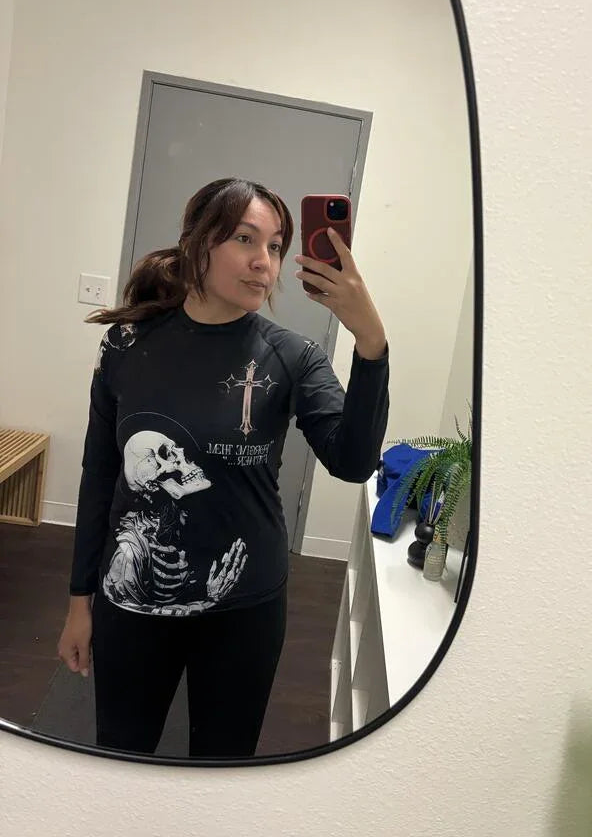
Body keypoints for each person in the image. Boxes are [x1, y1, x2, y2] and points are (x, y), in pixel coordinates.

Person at [56, 177, 389, 758]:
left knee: (224, 765)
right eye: (244, 239)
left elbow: (354, 461)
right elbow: (99, 477)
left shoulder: (292, 356)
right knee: (122, 752)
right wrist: (79, 603)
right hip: (133, 606)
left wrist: (370, 341)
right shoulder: (127, 346)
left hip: (246, 608)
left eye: (277, 246)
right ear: (198, 244)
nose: (265, 263)